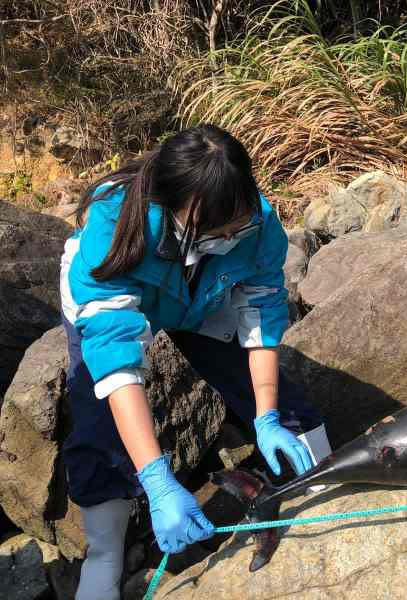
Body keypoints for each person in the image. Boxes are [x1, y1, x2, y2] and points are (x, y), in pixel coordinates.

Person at [59, 124, 332, 600]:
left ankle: (325, 475)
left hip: (203, 299)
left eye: (237, 225)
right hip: (122, 302)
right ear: (169, 206)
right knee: (98, 418)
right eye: (216, 230)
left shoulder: (258, 221)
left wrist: (266, 415)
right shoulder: (112, 221)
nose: (233, 234)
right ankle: (104, 553)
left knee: (274, 395)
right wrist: (158, 480)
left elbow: (262, 317)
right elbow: (118, 361)